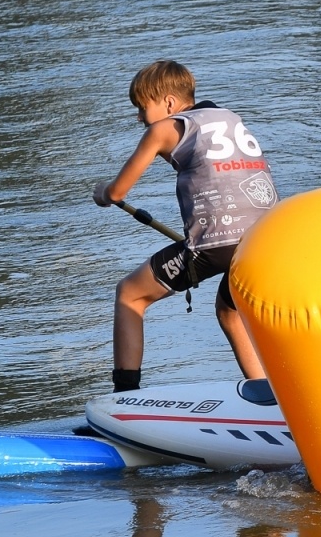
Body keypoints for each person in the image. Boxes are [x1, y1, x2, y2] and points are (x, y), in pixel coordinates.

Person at [93, 60, 279, 392]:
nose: (139, 117)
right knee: (229, 311)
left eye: (141, 106)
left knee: (130, 294)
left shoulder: (163, 129)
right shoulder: (228, 117)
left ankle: (123, 398)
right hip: (268, 240)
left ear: (167, 102)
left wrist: (104, 193)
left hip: (216, 244)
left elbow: (118, 192)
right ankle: (265, 395)